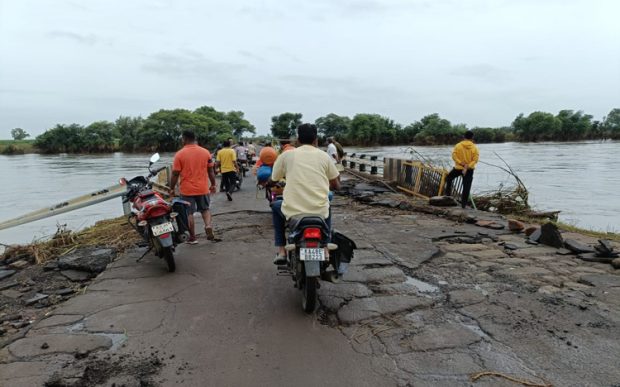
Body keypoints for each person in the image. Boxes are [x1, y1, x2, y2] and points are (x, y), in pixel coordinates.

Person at [271, 123, 340, 264]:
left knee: (275, 206)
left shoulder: (286, 156)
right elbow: (335, 184)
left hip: (292, 211)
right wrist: (334, 186)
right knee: (326, 205)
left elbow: (274, 178)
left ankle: (282, 251)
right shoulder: (324, 156)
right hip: (319, 211)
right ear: (316, 139)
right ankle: (325, 246)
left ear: (298, 140)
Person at [169, 130, 217, 244]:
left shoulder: (179, 154)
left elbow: (175, 173)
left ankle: (193, 238)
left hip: (187, 190)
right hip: (203, 188)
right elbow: (211, 171)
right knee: (205, 209)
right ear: (195, 139)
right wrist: (213, 184)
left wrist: (171, 188)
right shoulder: (205, 152)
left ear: (184, 139)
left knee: (189, 213)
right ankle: (208, 225)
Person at [444, 130, 479, 209]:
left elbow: (454, 156)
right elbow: (475, 160)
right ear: (472, 138)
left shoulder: (458, 145)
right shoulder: (474, 147)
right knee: (466, 187)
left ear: (464, 137)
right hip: (469, 170)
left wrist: (461, 163)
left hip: (458, 168)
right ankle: (463, 205)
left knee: (448, 178)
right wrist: (467, 166)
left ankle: (448, 195)